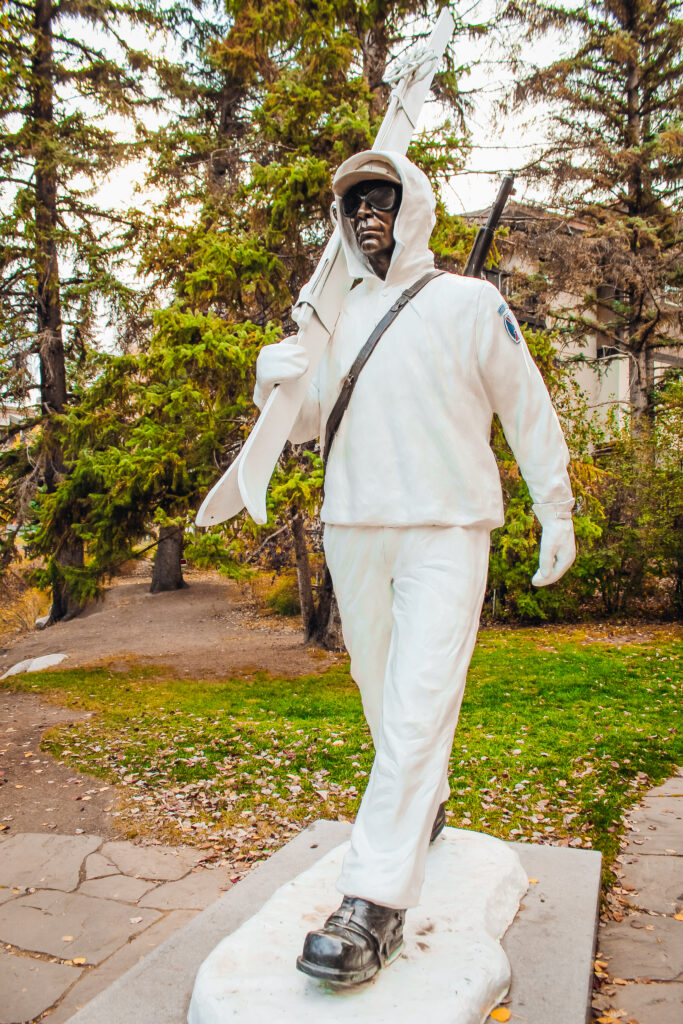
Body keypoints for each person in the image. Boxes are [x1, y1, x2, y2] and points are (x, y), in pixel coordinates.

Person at [253, 150, 576, 987]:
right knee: (380, 692)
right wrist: (275, 383)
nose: (368, 215)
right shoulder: (335, 318)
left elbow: (525, 406)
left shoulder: (470, 303)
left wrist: (556, 505)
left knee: (417, 707)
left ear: (417, 207)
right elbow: (304, 423)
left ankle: (374, 900)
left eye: (383, 199)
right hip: (354, 525)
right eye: (354, 202)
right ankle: (419, 805)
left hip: (446, 527)